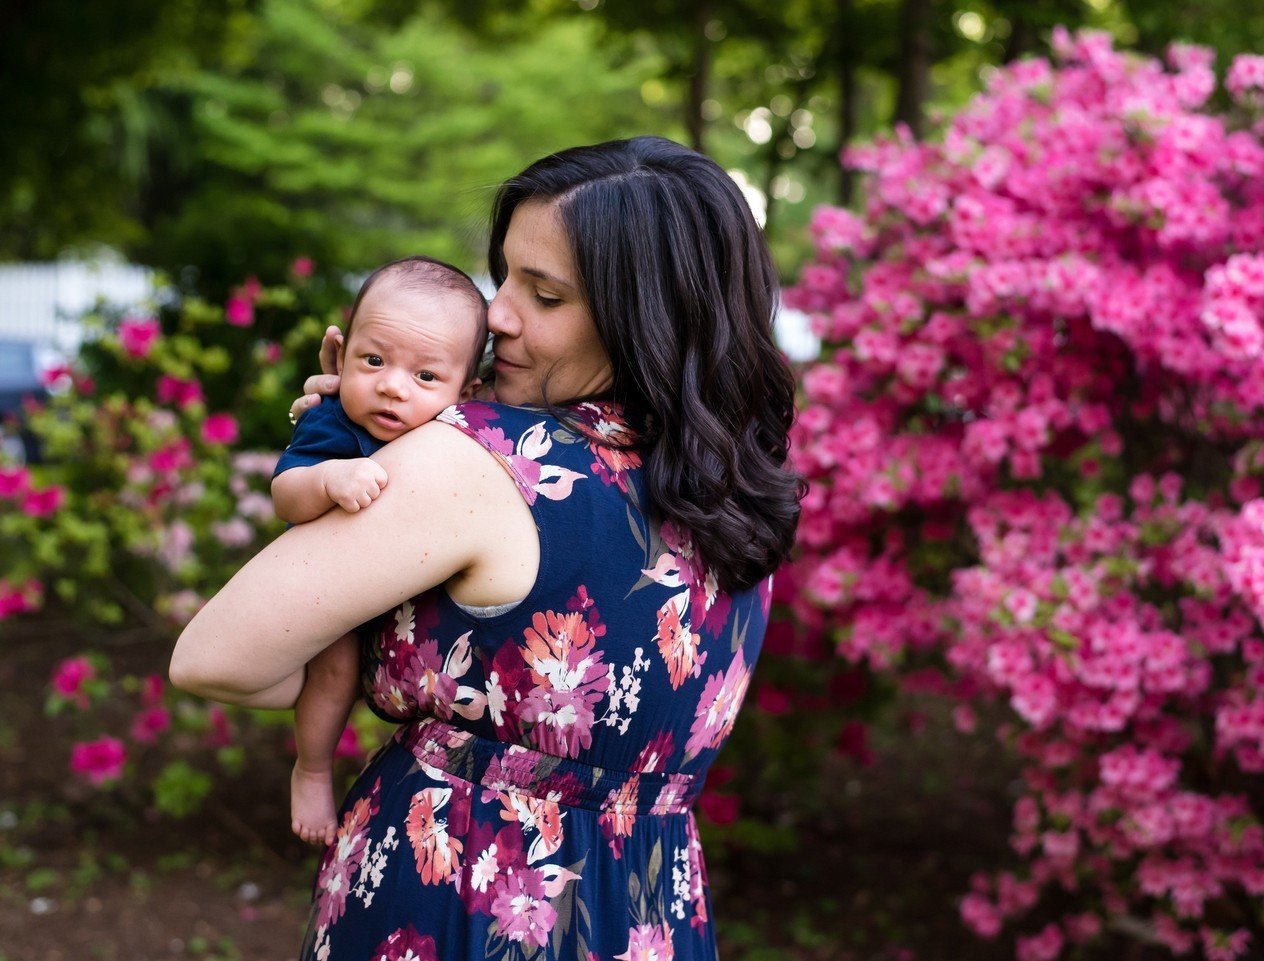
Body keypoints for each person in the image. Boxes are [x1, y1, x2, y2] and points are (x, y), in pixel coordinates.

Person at [171, 135, 802, 961]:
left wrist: (350, 446)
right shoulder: (732, 484)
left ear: (645, 315)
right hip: (648, 907)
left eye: (543, 294)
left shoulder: (486, 458)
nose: (497, 312)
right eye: (503, 274)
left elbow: (214, 657)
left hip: (463, 894)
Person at [270, 255, 487, 845]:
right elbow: (284, 494)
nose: (392, 386)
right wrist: (327, 480)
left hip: (409, 599)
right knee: (335, 669)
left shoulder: (454, 432)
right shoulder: (336, 424)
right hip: (329, 586)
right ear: (339, 357)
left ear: (465, 392)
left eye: (425, 377)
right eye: (374, 360)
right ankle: (312, 768)